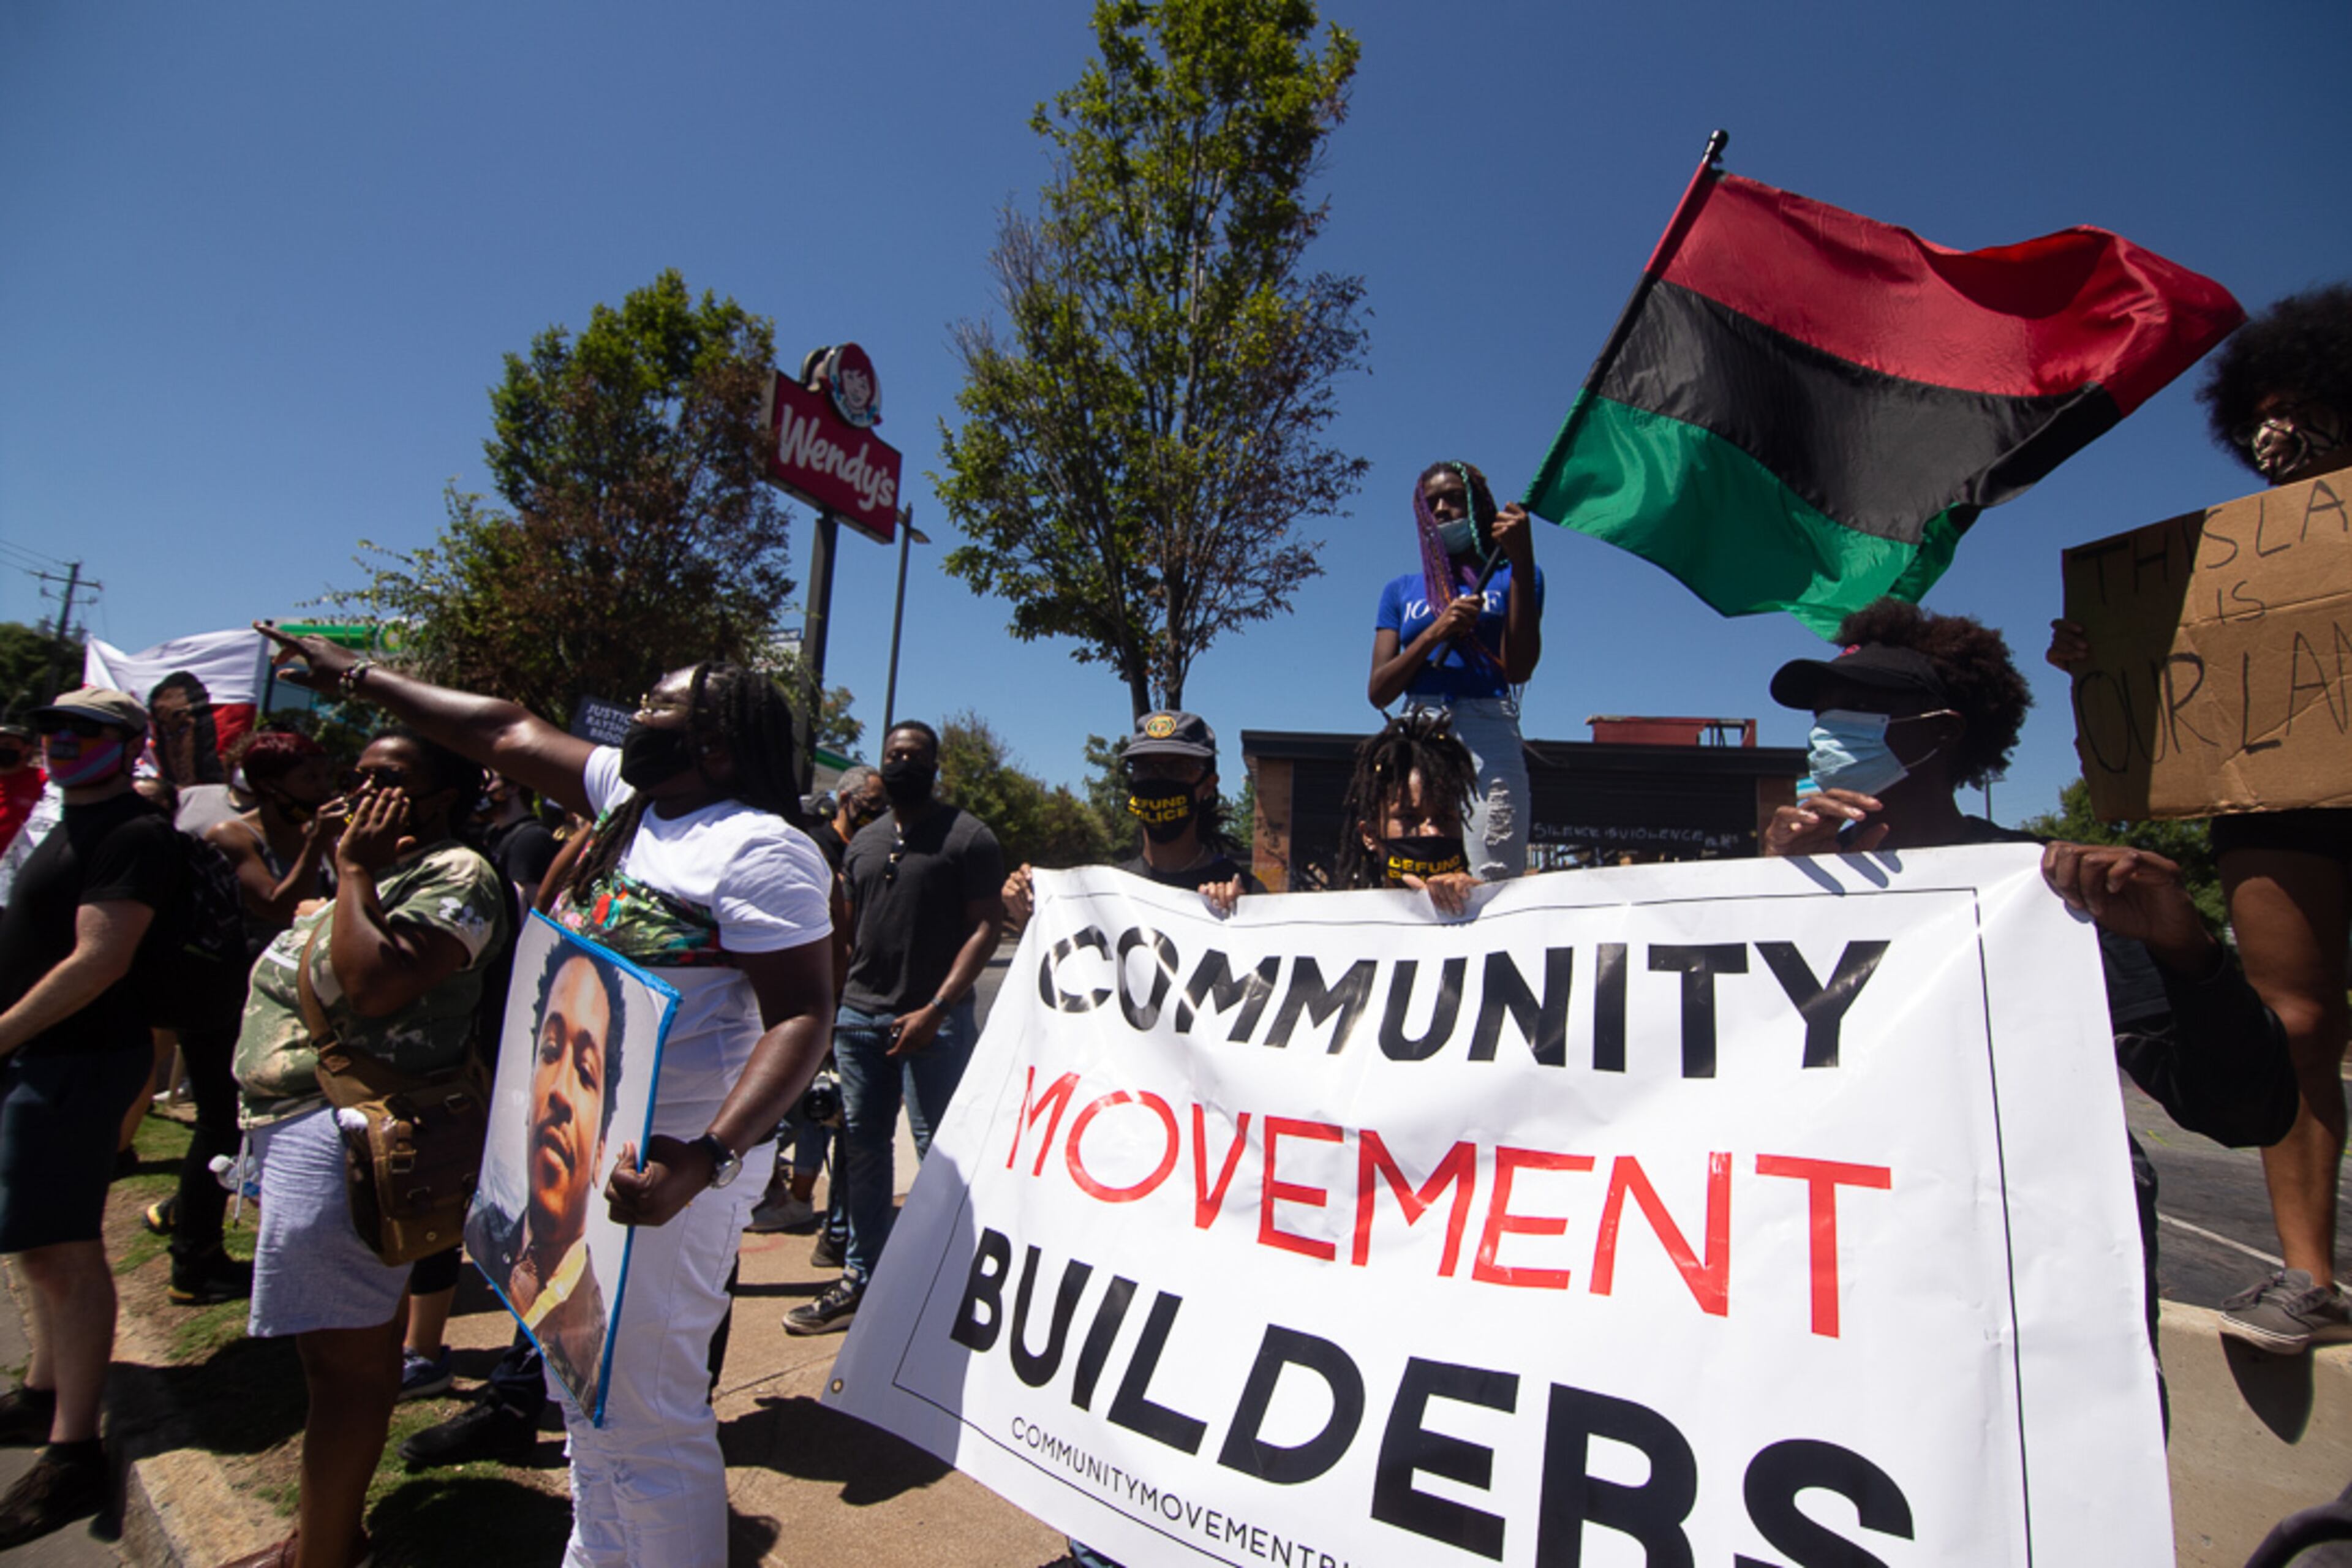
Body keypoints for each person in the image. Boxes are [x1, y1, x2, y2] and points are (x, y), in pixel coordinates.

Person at [253, 625, 834, 1568]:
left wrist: (708, 1156)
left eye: (658, 706)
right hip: (579, 1158)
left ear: (715, 746)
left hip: (668, 1179)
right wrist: (353, 674)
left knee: (648, 1420)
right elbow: (506, 733)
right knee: (588, 1408)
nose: (635, 717)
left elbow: (803, 1018)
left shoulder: (761, 851)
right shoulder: (632, 803)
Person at [1766, 600, 2297, 1373]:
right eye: (1823, 713)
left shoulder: (2055, 892)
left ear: (1943, 732)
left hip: (2026, 1300)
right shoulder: (1783, 886)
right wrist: (1776, 893)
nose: (1829, 731)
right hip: (1842, 1279)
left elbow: (2238, 1108)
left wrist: (2189, 951)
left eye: (1862, 710)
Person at [2051, 282, 2352, 1354]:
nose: (2280, 431)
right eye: (2261, 412)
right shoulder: (2236, 556)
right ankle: (2308, 1274)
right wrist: (2109, 669)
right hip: (2288, 793)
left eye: (2304, 403)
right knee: (2295, 1021)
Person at [221, 725, 510, 1568]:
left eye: (388, 781)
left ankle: (319, 1557)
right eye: (357, 776)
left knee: (341, 1369)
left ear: (444, 799)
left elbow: (376, 985)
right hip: (306, 1126)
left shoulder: (457, 874)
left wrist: (349, 872)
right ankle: (328, 1533)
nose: (361, 794)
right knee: (354, 1354)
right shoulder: (383, 868)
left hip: (346, 1131)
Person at [0, 688, 182, 1549]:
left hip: (75, 1062)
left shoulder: (132, 836)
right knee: (37, 1244)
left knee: (64, 1249)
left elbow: (101, 959)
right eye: (51, 729)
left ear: (129, 744)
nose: (60, 742)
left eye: (86, 732)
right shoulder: (65, 822)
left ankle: (73, 1452)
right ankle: (42, 1391)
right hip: (42, 1059)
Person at [786, 720, 1001, 1336]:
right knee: (862, 1151)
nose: (903, 763)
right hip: (859, 1021)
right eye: (894, 755)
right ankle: (863, 1278)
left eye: (916, 755)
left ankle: (942, 1283)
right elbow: (844, 934)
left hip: (934, 1025)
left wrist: (937, 1007)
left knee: (941, 1155)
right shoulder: (864, 842)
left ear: (934, 766)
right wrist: (832, 1011)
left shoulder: (968, 838)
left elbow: (985, 928)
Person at [142, 732, 344, 1303]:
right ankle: (194, 1260)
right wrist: (319, 843)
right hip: (221, 1000)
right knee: (219, 1125)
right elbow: (278, 904)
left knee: (259, 1128)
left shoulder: (313, 835)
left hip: (284, 1006)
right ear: (268, 785)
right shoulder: (232, 836)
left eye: (325, 776)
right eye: (310, 780)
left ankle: (197, 1223)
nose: (322, 790)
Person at [466, 946, 628, 1402]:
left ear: (602, 1146)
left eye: (585, 1072)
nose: (558, 1093)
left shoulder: (595, 1339)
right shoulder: (486, 1236)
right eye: (550, 1052)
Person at [1368, 461, 1542, 881]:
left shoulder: (1515, 576)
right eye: (1432, 504)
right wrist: (1435, 632)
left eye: (1453, 498)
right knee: (1414, 867)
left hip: (1489, 728)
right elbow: (1379, 691)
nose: (1443, 509)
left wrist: (1521, 561)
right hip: (1420, 728)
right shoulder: (1400, 590)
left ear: (1477, 505)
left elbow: (1519, 668)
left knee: (1491, 874)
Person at [747, 763, 881, 1240]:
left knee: (822, 1110)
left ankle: (800, 1199)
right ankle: (753, 1182)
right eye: (871, 801)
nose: (878, 811)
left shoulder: (873, 850)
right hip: (819, 994)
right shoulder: (816, 848)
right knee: (789, 1106)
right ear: (847, 800)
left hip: (848, 994)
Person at [1003, 709, 1261, 935]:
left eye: (1178, 768)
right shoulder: (1105, 892)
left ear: (1208, 785)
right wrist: (1030, 919)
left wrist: (1248, 922)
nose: (1158, 779)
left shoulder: (1244, 892)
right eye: (1145, 768)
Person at [1332, 710, 1483, 916]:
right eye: (1408, 818)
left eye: (1445, 818)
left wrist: (1481, 906)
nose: (1432, 833)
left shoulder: (1492, 918)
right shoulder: (1343, 925)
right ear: (1369, 834)